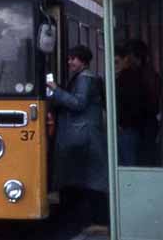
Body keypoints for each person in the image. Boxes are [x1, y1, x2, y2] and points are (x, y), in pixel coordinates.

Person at [46, 44, 109, 235]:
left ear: (82, 60)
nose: (69, 62)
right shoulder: (85, 77)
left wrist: (55, 90)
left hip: (82, 137)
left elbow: (78, 103)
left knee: (83, 180)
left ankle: (88, 222)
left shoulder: (86, 79)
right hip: (83, 136)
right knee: (85, 180)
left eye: (73, 58)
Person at [115, 43, 147, 166]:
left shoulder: (127, 78)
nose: (114, 66)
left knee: (127, 163)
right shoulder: (129, 77)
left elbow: (133, 103)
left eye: (117, 62)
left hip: (127, 128)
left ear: (126, 60)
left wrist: (123, 123)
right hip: (127, 127)